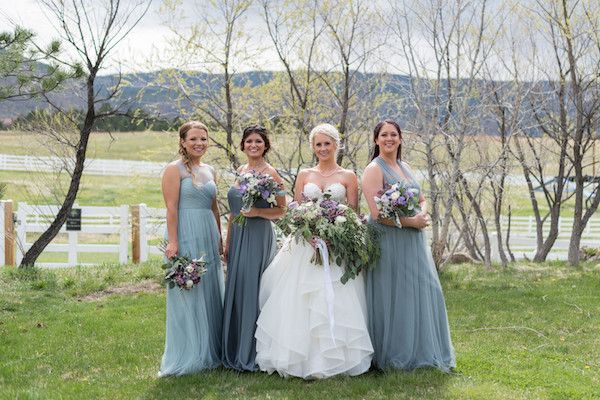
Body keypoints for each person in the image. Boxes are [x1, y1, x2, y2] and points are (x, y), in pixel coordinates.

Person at [255, 123, 373, 379]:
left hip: (336, 246)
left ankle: (337, 360)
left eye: (327, 144)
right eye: (318, 144)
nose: (322, 148)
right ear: (313, 147)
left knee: (335, 299)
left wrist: (337, 234)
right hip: (305, 245)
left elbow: (353, 212)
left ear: (336, 145)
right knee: (300, 300)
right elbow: (295, 209)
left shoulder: (349, 175)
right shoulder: (304, 174)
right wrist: (307, 232)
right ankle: (297, 358)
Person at [361, 119, 455, 371]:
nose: (389, 139)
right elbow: (377, 213)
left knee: (422, 291)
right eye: (384, 135)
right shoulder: (374, 169)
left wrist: (422, 214)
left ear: (400, 139)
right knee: (392, 295)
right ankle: (391, 354)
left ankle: (422, 350)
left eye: (393, 134)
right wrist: (410, 221)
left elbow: (422, 198)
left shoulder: (405, 166)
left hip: (412, 238)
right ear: (376, 140)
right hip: (387, 238)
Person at [158, 121, 225, 376]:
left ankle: (211, 349)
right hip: (185, 232)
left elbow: (215, 207)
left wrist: (219, 237)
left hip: (207, 234)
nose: (200, 143)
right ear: (183, 142)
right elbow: (171, 208)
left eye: (204, 139)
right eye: (194, 139)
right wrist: (173, 242)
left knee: (210, 290)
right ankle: (189, 352)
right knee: (188, 293)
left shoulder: (209, 169)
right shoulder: (174, 170)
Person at [222, 125, 286, 371]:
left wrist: (258, 211)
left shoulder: (272, 174)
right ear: (243, 145)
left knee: (253, 288)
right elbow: (235, 212)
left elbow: (282, 210)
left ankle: (253, 351)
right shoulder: (241, 170)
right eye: (249, 141)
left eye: (258, 141)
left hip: (259, 235)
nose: (253, 145)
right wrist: (228, 241)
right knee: (237, 287)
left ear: (265, 145)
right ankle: (235, 346)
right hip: (238, 235)